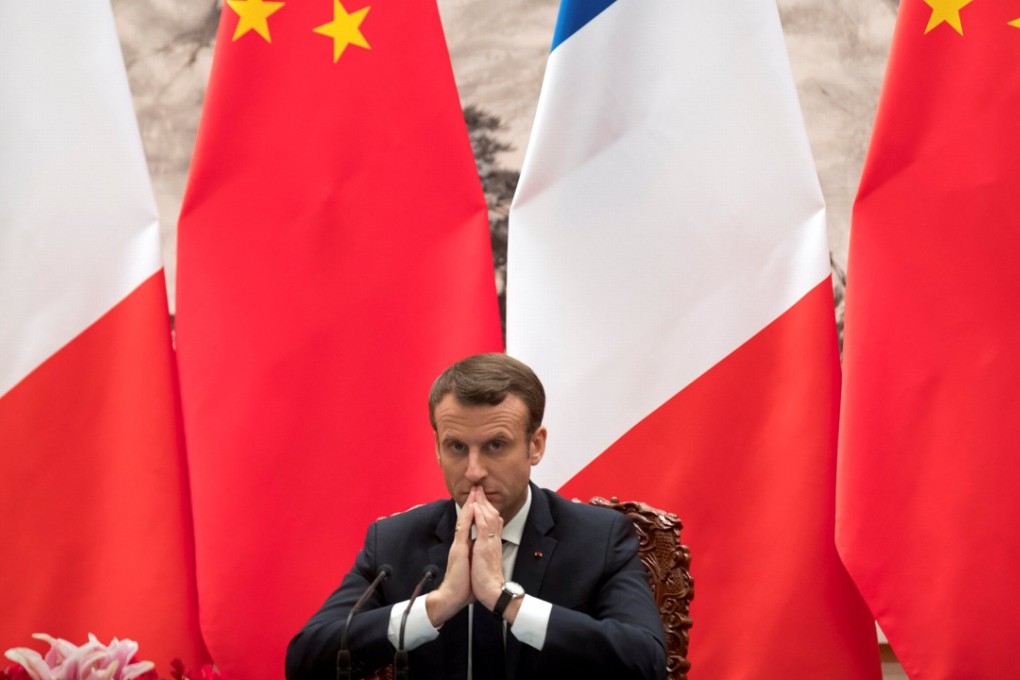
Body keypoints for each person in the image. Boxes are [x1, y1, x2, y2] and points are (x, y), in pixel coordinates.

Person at [285, 353, 666, 680]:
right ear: (437, 448)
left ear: (535, 446)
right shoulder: (395, 541)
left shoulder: (598, 538)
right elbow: (306, 661)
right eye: (456, 447)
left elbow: (646, 662)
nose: (473, 471)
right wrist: (438, 605)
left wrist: (508, 603)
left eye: (495, 446)